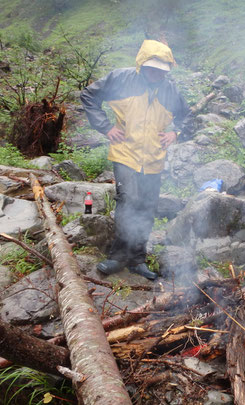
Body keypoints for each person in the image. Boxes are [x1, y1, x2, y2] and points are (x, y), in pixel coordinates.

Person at [80, 39, 192, 280]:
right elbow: (89, 96)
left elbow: (187, 116)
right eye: (152, 68)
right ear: (142, 65)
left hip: (153, 159)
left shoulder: (170, 90)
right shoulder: (121, 79)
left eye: (162, 70)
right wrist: (106, 126)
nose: (156, 74)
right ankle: (118, 257)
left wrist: (176, 132)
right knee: (128, 202)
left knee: (147, 207)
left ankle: (137, 259)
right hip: (125, 155)